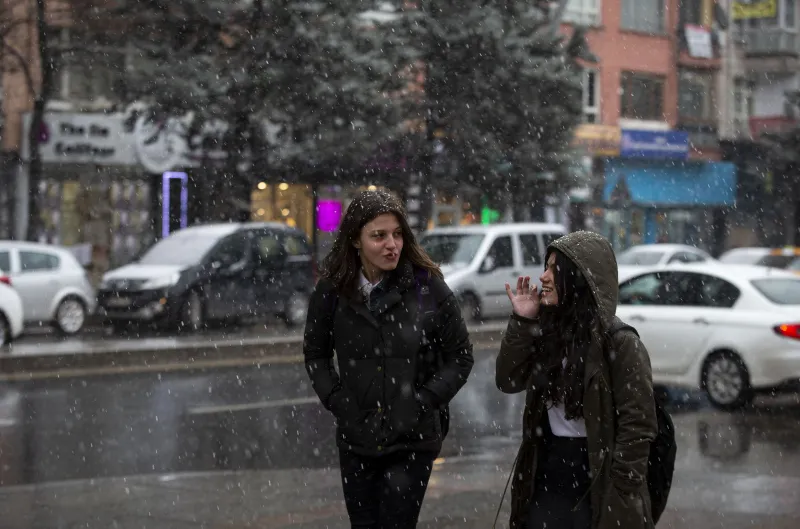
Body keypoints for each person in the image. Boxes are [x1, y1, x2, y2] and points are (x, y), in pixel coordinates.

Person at [304, 190, 474, 529]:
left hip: (412, 439)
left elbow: (460, 357)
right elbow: (316, 354)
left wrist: (422, 401)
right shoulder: (333, 291)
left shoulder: (428, 288)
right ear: (356, 239)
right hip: (357, 438)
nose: (391, 244)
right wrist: (339, 402)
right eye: (378, 236)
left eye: (397, 234)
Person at [496, 231, 657, 529]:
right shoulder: (548, 331)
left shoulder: (620, 343)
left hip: (595, 471)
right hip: (548, 466)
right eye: (546, 266)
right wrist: (523, 321)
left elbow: (639, 424)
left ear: (581, 278)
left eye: (555, 269)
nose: (543, 276)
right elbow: (508, 380)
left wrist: (621, 489)